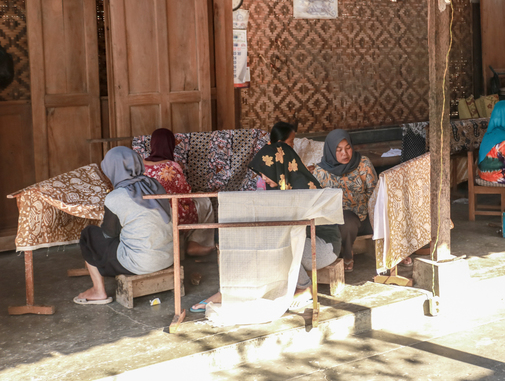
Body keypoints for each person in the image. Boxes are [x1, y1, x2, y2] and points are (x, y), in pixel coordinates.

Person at [190, 127, 341, 312]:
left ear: (279, 166)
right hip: (302, 244)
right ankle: (230, 290)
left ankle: (305, 287)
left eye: (266, 171)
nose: (263, 177)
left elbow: (290, 228)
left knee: (280, 241)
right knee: (256, 242)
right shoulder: (278, 185)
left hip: (323, 246)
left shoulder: (303, 187)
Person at [74, 147, 173, 305]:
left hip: (140, 263)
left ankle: (98, 290)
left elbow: (109, 235)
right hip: (168, 257)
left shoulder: (116, 197)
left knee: (89, 234)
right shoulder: (155, 185)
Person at [143, 128, 215, 256]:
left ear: (152, 144)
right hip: (170, 215)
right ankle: (195, 243)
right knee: (204, 201)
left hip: (146, 214)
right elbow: (184, 197)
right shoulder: (172, 167)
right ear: (171, 145)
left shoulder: (140, 165)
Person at [313, 129, 377, 272]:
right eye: (339, 149)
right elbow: (318, 201)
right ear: (330, 150)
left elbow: (375, 192)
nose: (345, 153)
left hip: (365, 216)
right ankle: (346, 255)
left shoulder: (363, 164)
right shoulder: (321, 172)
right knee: (345, 221)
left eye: (348, 148)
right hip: (335, 218)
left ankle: (395, 254)